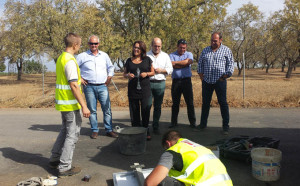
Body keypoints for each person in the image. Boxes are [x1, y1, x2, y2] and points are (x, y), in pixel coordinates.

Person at [49, 33, 91, 178]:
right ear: (75, 45)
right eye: (79, 44)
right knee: (72, 135)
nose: (79, 47)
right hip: (70, 104)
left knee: (65, 130)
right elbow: (74, 85)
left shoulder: (61, 57)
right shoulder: (70, 61)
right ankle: (65, 166)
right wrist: (84, 106)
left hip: (63, 103)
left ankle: (55, 158)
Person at [144, 130, 233, 186]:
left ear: (168, 143)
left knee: (162, 181)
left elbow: (150, 183)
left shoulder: (173, 151)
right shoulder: (197, 147)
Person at [76, 35, 118, 139]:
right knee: (92, 110)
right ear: (88, 44)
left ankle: (109, 130)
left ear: (98, 44)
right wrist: (79, 78)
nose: (93, 45)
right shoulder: (82, 56)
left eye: (95, 43)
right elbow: (74, 68)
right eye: (91, 43)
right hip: (89, 86)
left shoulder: (104, 55)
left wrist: (109, 77)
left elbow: (111, 67)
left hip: (103, 86)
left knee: (107, 109)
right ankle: (94, 130)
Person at [196, 32, 234, 135]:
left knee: (223, 103)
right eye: (212, 40)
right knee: (205, 104)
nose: (213, 42)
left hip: (220, 82)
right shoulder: (205, 50)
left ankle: (225, 127)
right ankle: (203, 124)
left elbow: (230, 66)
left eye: (215, 41)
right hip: (207, 82)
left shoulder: (226, 50)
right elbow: (200, 65)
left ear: (220, 40)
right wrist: (202, 78)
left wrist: (224, 76)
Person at [123, 41, 155, 140]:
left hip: (145, 90)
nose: (136, 49)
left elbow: (153, 72)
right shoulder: (128, 61)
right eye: (135, 47)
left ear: (142, 50)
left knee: (145, 111)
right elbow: (124, 74)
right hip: (133, 90)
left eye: (138, 48)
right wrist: (128, 75)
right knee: (134, 111)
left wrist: (147, 74)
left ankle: (145, 130)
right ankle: (135, 131)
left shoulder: (147, 60)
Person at [147, 38, 173, 135]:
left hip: (160, 83)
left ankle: (155, 126)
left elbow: (170, 69)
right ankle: (146, 127)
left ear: (161, 46)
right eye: (155, 46)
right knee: (147, 105)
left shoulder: (165, 56)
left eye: (159, 46)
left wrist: (161, 70)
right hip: (148, 83)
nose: (157, 48)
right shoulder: (146, 55)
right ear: (151, 45)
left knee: (157, 106)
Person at [169, 39, 196, 128]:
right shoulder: (172, 55)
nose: (182, 49)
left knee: (190, 103)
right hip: (176, 81)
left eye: (184, 48)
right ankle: (173, 123)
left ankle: (192, 123)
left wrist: (176, 63)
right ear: (177, 46)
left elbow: (188, 62)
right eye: (180, 47)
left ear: (186, 47)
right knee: (175, 103)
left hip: (186, 81)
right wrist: (183, 63)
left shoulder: (189, 54)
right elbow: (171, 65)